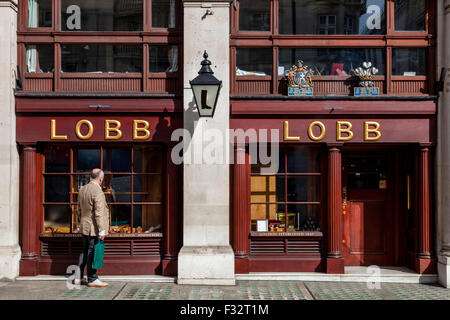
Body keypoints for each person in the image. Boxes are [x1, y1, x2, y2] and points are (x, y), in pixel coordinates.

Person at [74, 168, 110, 287]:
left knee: (85, 251)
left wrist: (84, 222)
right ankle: (92, 278)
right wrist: (102, 230)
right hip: (93, 228)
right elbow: (99, 212)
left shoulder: (83, 189)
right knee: (92, 252)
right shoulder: (97, 191)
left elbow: (78, 210)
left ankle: (78, 278)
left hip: (84, 226)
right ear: (100, 179)